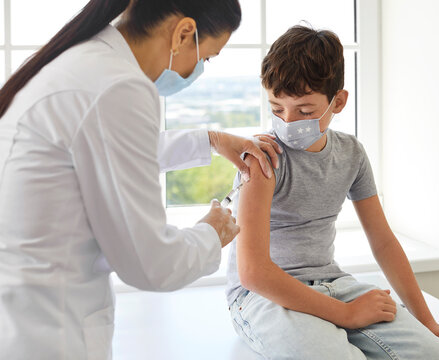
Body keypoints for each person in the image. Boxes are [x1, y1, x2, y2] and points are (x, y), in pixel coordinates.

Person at [0, 0, 281, 359]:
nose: (199, 69)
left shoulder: (83, 62)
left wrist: (210, 140)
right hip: (48, 332)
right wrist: (212, 232)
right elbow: (151, 264)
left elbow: (101, 151)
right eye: (206, 58)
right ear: (184, 33)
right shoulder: (118, 86)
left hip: (23, 316)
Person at [225, 25, 439, 360]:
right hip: (262, 296)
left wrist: (428, 322)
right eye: (276, 108)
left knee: (431, 354)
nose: (287, 122)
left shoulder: (351, 154)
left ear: (338, 102)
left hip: (333, 283)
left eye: (304, 111)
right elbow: (253, 273)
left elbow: (383, 242)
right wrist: (346, 315)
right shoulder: (262, 159)